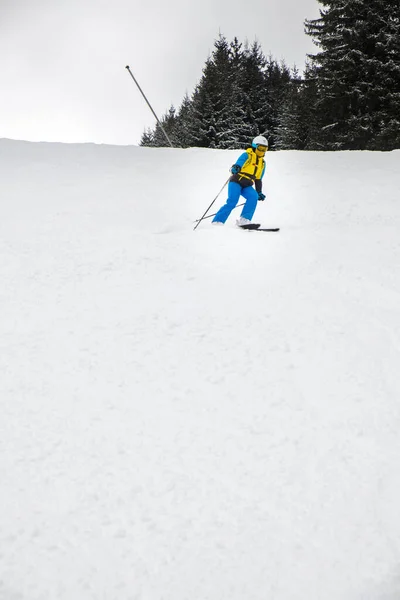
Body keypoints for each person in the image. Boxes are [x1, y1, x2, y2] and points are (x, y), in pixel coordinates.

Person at [212, 135, 268, 227]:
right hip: (236, 181)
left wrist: (259, 192)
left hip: (247, 185)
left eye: (265, 149)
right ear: (254, 146)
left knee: (253, 196)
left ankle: (244, 219)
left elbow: (258, 179)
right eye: (260, 148)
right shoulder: (247, 155)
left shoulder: (262, 163)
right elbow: (239, 162)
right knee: (232, 201)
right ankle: (218, 221)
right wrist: (236, 167)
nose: (262, 151)